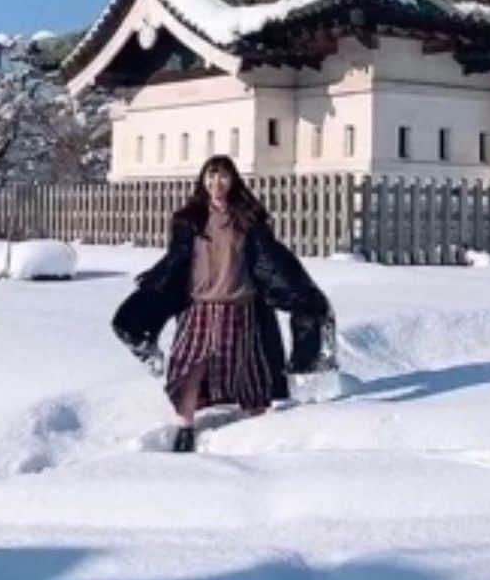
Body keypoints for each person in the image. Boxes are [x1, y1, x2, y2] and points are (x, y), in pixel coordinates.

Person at [113, 154, 333, 453]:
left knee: (248, 371)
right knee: (186, 366)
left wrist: (298, 293)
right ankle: (184, 428)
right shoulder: (188, 219)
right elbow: (177, 261)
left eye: (223, 176)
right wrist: (156, 282)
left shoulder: (248, 218)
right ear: (203, 180)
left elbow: (270, 260)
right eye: (211, 176)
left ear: (233, 181)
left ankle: (261, 431)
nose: (217, 183)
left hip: (240, 306)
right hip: (198, 307)